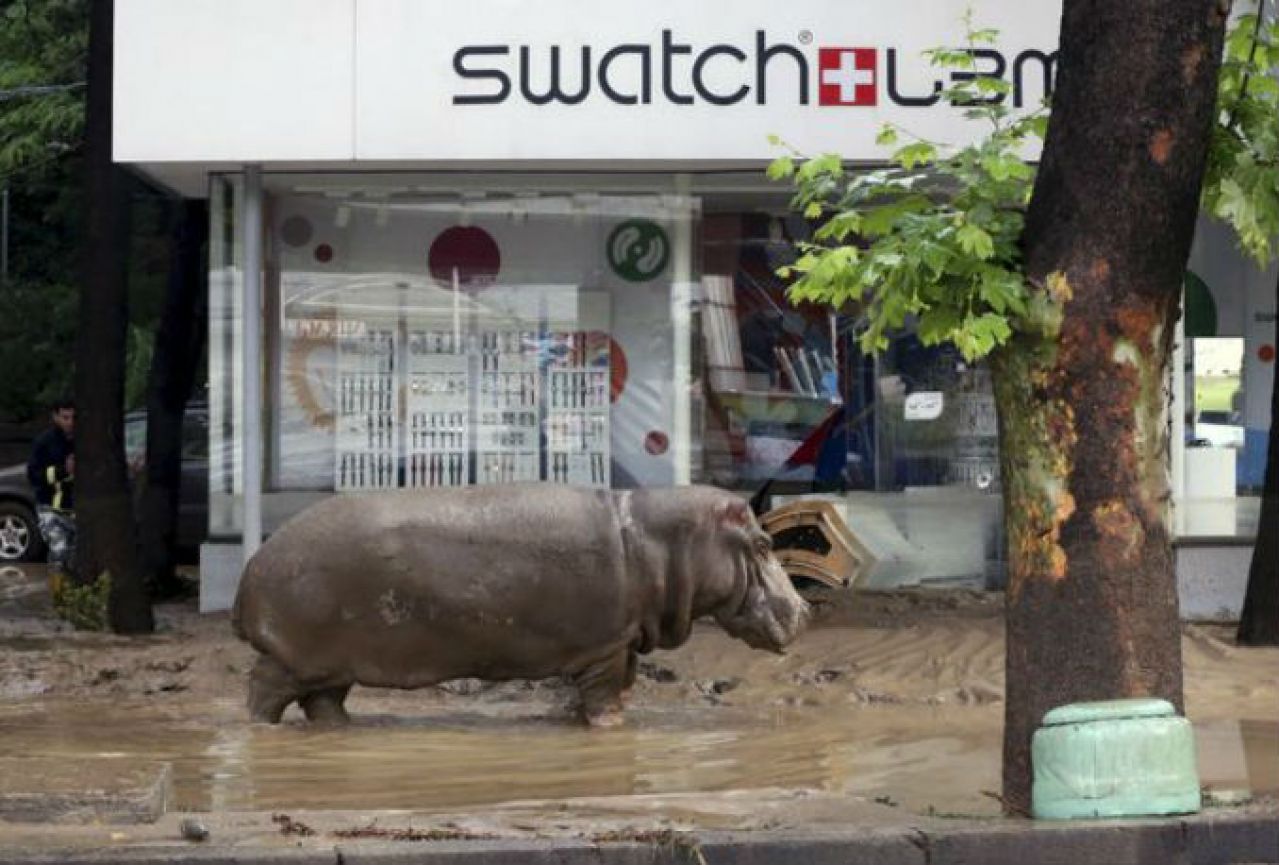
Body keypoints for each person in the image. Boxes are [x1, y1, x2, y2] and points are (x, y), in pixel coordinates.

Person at [27, 399, 76, 581]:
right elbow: (34, 475)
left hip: (78, 509)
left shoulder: (85, 440)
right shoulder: (44, 442)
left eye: (74, 417)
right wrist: (63, 471)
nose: (70, 422)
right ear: (55, 416)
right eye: (65, 417)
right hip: (51, 508)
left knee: (76, 557)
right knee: (59, 551)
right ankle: (58, 598)